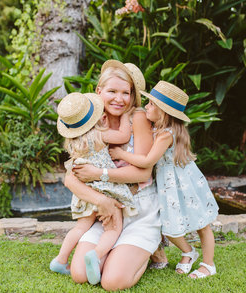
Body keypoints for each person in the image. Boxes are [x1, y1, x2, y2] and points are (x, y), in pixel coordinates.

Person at [64, 60, 162, 290]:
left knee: (112, 282)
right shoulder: (90, 120)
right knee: (80, 275)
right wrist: (102, 201)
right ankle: (116, 253)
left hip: (138, 211)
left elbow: (143, 171)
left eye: (126, 93)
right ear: (99, 92)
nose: (119, 99)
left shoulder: (136, 118)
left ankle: (146, 252)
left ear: (133, 95)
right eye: (112, 91)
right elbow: (71, 177)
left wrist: (99, 173)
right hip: (106, 213)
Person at [109, 80, 219, 279]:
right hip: (169, 187)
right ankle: (188, 252)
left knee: (202, 225)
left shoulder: (166, 134)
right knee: (168, 226)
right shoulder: (157, 129)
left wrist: (120, 154)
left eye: (151, 104)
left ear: (163, 111)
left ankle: (208, 265)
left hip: (183, 186)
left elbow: (147, 160)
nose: (146, 107)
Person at [50, 92, 137, 285]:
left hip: (85, 195)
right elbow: (124, 135)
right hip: (106, 190)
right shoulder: (100, 135)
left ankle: (61, 259)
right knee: (114, 228)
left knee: (81, 227)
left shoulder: (72, 143)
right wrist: (125, 114)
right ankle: (95, 255)